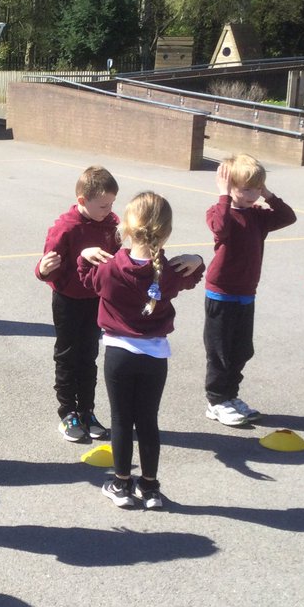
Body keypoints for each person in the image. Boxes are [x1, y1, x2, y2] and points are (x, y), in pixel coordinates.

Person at [78, 192, 204, 511]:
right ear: (166, 231)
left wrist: (84, 255)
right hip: (155, 356)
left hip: (119, 354)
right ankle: (149, 487)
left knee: (121, 420)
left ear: (126, 228)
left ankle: (121, 483)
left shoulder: (108, 269)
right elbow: (194, 277)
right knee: (147, 421)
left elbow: (85, 279)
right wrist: (199, 260)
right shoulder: (171, 272)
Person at [203, 154, 296, 427]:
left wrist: (267, 193)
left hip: (246, 293)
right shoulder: (218, 211)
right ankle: (216, 401)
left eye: (257, 188)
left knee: (241, 350)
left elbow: (287, 217)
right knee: (220, 351)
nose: (253, 194)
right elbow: (220, 229)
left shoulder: (258, 216)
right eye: (247, 189)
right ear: (229, 186)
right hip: (221, 293)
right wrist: (223, 195)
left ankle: (231, 396)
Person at [35, 165, 120, 443]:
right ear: (82, 201)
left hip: (95, 301)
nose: (108, 210)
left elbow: (118, 260)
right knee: (68, 357)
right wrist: (43, 269)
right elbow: (48, 267)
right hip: (68, 300)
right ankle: (67, 413)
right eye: (103, 205)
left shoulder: (111, 224)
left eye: (111, 204)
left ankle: (86, 411)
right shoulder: (66, 227)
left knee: (89, 357)